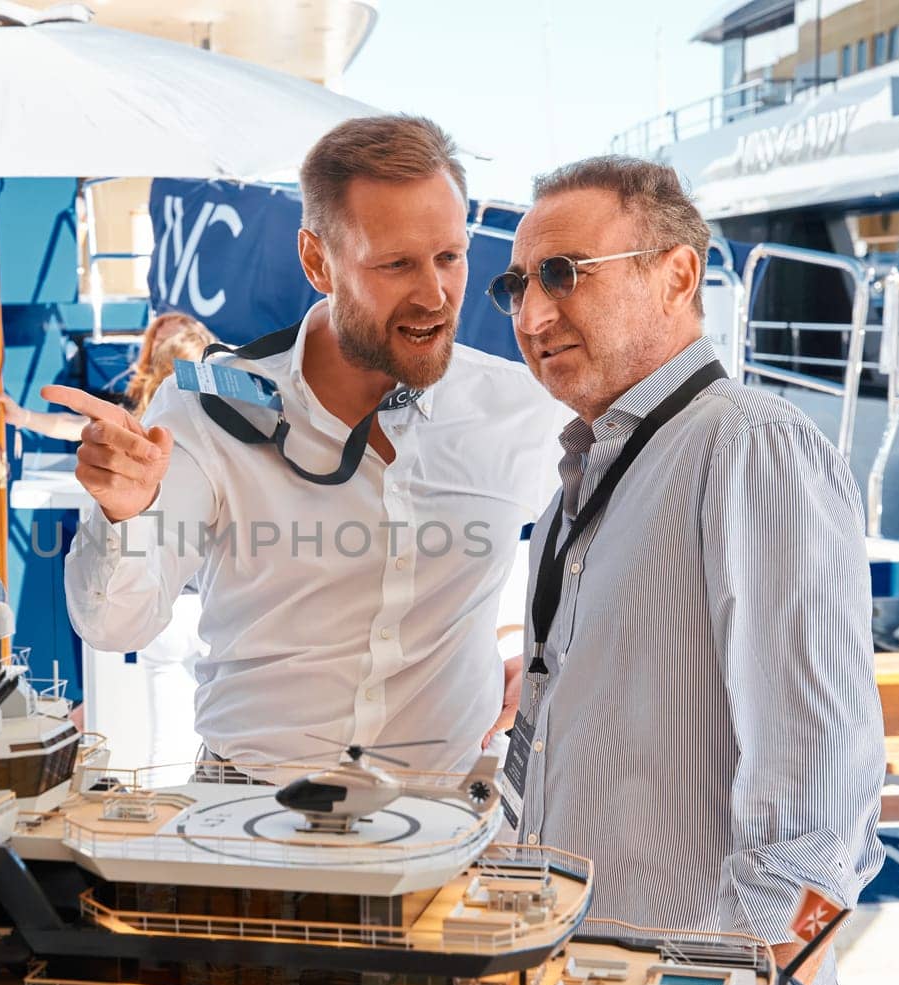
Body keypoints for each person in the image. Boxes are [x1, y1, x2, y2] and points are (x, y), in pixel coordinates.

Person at [54, 115, 568, 777]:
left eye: (450, 256)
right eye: (396, 265)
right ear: (315, 261)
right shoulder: (207, 403)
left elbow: (610, 572)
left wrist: (546, 661)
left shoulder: (524, 408)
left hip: (445, 829)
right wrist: (122, 516)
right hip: (246, 824)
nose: (435, 295)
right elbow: (114, 627)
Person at [490, 155, 884, 985]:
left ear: (677, 275)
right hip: (584, 983)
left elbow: (825, 794)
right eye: (515, 284)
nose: (531, 312)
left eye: (563, 274)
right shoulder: (578, 492)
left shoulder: (749, 446)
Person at [0, 312, 218, 768]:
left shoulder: (139, 430)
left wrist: (18, 416)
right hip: (214, 607)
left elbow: (74, 430)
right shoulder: (228, 434)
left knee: (163, 749)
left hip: (160, 607)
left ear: (152, 363)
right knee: (222, 744)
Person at [0, 312, 217, 440]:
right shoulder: (144, 409)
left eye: (160, 343)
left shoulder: (167, 413)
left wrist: (23, 417)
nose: (150, 347)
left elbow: (78, 427)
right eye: (154, 338)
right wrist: (22, 417)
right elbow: (80, 426)